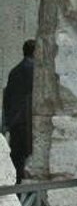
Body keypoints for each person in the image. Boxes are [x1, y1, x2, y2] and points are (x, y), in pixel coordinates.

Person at [1, 40, 35, 184]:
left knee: (17, 162)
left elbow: (7, 98)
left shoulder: (14, 71)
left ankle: (17, 195)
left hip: (15, 123)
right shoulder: (34, 70)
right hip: (28, 123)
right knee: (28, 163)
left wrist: (6, 123)